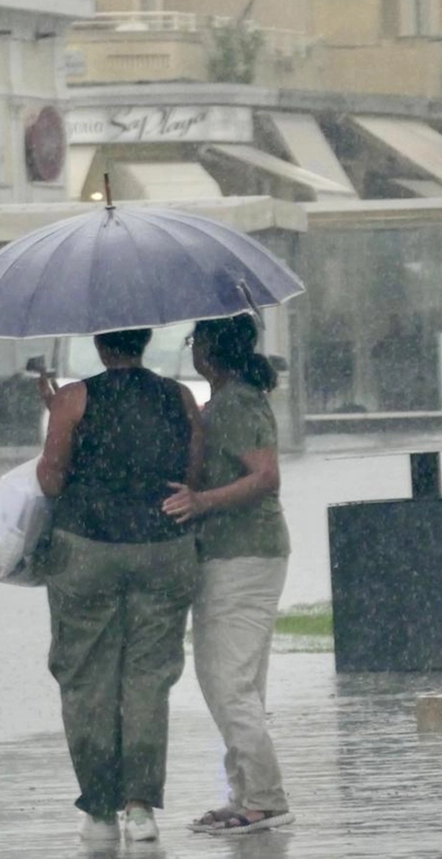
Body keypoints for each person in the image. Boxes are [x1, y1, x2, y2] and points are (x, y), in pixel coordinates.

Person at [36, 328, 205, 844]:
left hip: (88, 547)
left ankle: (101, 809)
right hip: (163, 549)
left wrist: (58, 414)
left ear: (100, 344)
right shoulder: (180, 397)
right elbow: (191, 473)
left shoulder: (75, 397)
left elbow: (51, 479)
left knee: (86, 676)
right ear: (146, 340)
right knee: (149, 677)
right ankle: (140, 808)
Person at [162, 314, 295, 835]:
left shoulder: (237, 401)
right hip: (237, 553)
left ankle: (264, 797)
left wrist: (200, 503)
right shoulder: (227, 401)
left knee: (226, 681)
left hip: (243, 555)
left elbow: (266, 476)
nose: (192, 349)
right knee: (239, 683)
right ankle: (245, 792)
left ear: (210, 349)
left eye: (195, 340)